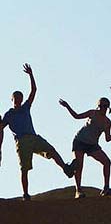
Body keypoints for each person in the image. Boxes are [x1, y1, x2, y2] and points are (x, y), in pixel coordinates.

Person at [0, 64, 75, 201]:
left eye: (19, 98)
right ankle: (26, 194)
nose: (17, 100)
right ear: (12, 100)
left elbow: (34, 90)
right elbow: (1, 127)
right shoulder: (9, 114)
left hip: (33, 137)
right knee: (24, 169)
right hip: (22, 141)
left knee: (51, 150)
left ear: (21, 99)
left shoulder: (25, 107)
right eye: (15, 98)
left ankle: (66, 168)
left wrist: (31, 75)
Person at [59, 97, 111, 198]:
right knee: (79, 165)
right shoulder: (92, 113)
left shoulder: (107, 122)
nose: (102, 108)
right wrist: (67, 106)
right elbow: (76, 116)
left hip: (92, 144)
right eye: (100, 106)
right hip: (80, 141)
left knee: (107, 162)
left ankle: (106, 188)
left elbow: (108, 138)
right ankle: (78, 190)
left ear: (108, 108)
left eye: (104, 106)